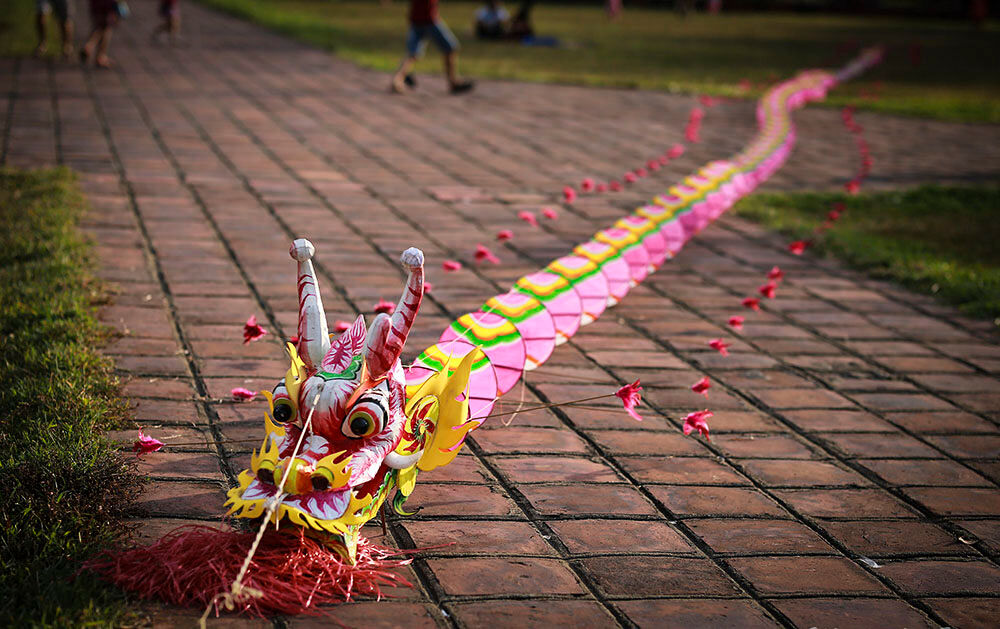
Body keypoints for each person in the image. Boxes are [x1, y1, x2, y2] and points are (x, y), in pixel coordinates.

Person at [391, 0, 474, 95]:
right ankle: (453, 82)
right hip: (429, 20)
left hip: (416, 19)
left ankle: (397, 80)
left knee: (412, 54)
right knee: (450, 48)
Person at [80, 0, 119, 68]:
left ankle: (89, 47)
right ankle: (100, 55)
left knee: (99, 27)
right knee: (105, 29)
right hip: (108, 5)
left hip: (96, 4)